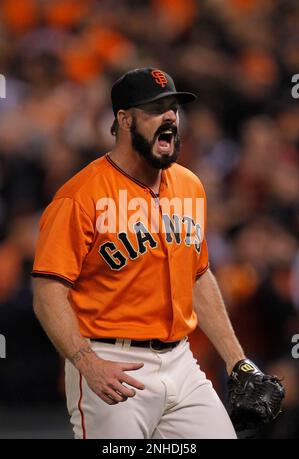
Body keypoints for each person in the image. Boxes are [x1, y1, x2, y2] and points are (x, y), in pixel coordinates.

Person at [32, 68, 245, 439]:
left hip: (181, 361)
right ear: (124, 119)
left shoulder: (189, 185)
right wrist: (87, 364)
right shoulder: (81, 195)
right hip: (112, 362)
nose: (169, 117)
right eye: (155, 108)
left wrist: (237, 362)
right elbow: (48, 294)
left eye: (174, 108)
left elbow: (197, 276)